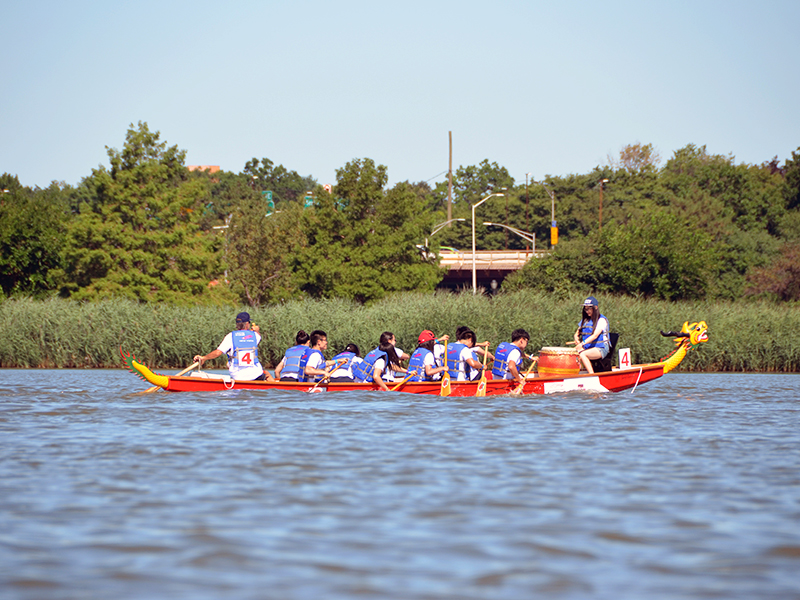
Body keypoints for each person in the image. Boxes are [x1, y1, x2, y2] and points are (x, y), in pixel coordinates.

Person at [193, 312, 272, 381]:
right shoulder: (255, 336)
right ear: (247, 324)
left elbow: (218, 352)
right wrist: (257, 330)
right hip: (255, 374)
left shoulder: (230, 336)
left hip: (238, 376)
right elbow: (258, 336)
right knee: (267, 375)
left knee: (229, 363)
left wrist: (204, 358)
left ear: (237, 324)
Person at [573, 296, 610, 374]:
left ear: (595, 307)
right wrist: (577, 340)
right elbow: (577, 333)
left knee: (583, 354)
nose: (587, 311)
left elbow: (595, 336)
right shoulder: (586, 320)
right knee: (572, 354)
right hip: (588, 347)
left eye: (589, 308)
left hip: (601, 348)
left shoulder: (601, 320)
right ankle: (574, 373)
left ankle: (591, 375)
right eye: (585, 309)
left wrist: (582, 344)